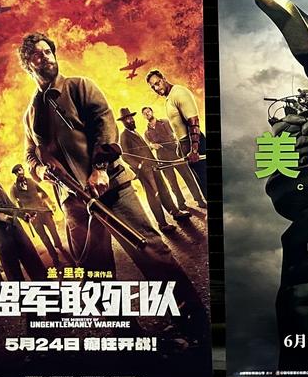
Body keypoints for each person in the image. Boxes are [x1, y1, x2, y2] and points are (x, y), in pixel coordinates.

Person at [19, 32, 208, 336]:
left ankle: (193, 325)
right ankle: (127, 335)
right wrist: (39, 170)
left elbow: (104, 124)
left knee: (152, 253)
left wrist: (100, 168)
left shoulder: (79, 86)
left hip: (112, 188)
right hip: (75, 204)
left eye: (48, 51)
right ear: (27, 64)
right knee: (95, 276)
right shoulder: (30, 115)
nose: (46, 58)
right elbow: (30, 155)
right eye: (37, 54)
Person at [117, 107, 191, 233]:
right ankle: (162, 224)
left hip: (154, 167)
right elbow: (125, 155)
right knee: (154, 197)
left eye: (131, 118)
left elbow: (145, 151)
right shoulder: (124, 136)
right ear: (123, 122)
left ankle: (175, 212)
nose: (130, 120)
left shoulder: (135, 132)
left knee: (164, 190)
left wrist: (155, 162)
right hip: (145, 172)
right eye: (127, 119)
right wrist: (139, 167)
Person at [146, 69, 208, 198]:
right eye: (153, 87)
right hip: (187, 145)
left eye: (157, 83)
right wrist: (181, 146)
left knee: (206, 180)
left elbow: (193, 122)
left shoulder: (179, 93)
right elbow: (179, 127)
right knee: (202, 184)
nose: (156, 88)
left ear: (164, 78)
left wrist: (194, 150)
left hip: (195, 143)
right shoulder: (169, 98)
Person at [142, 105, 207, 210]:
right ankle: (181, 203)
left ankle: (199, 200)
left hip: (176, 154)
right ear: (143, 116)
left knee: (188, 177)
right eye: (145, 113)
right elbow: (148, 145)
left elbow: (176, 132)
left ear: (152, 112)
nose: (147, 114)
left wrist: (176, 141)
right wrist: (152, 145)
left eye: (148, 111)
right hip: (162, 159)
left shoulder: (165, 122)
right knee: (172, 183)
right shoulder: (146, 132)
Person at [10, 163, 70, 268]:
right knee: (44, 238)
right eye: (17, 171)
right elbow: (14, 205)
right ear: (15, 174)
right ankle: (55, 259)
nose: (20, 172)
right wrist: (24, 215)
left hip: (44, 211)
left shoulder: (30, 181)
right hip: (33, 217)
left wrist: (51, 204)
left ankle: (60, 248)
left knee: (53, 230)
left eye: (21, 170)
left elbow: (43, 193)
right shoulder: (14, 188)